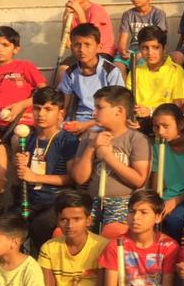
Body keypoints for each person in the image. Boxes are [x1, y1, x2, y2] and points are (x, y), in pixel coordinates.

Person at [70, 86, 151, 233]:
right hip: (92, 200)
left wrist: (108, 157)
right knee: (71, 230)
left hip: (125, 201)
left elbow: (139, 180)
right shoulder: (89, 137)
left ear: (119, 111)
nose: (94, 113)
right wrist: (91, 148)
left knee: (112, 232)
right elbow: (79, 178)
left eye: (99, 108)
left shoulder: (137, 139)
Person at [15, 87, 79, 249]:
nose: (41, 114)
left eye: (48, 109)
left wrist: (35, 177)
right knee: (5, 226)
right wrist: (21, 166)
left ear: (60, 113)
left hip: (55, 202)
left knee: (40, 225)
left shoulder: (68, 140)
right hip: (29, 200)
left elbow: (71, 179)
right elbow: (21, 177)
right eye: (37, 108)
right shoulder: (27, 138)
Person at [59, 23, 124, 134]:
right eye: (77, 45)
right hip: (76, 120)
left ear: (99, 47)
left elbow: (116, 109)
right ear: (72, 47)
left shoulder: (111, 71)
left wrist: (86, 125)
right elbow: (65, 106)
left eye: (87, 45)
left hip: (103, 122)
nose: (81, 50)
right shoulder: (70, 73)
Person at [0, 25, 46, 133]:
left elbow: (45, 94)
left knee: (18, 137)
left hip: (24, 122)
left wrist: (21, 105)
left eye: (5, 45)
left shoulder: (25, 66)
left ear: (16, 49)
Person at [127, 26, 184, 128]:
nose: (150, 53)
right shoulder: (135, 71)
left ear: (164, 49)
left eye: (156, 48)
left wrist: (151, 111)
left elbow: (178, 105)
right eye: (145, 48)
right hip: (139, 119)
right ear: (139, 49)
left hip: (166, 119)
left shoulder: (177, 72)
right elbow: (129, 101)